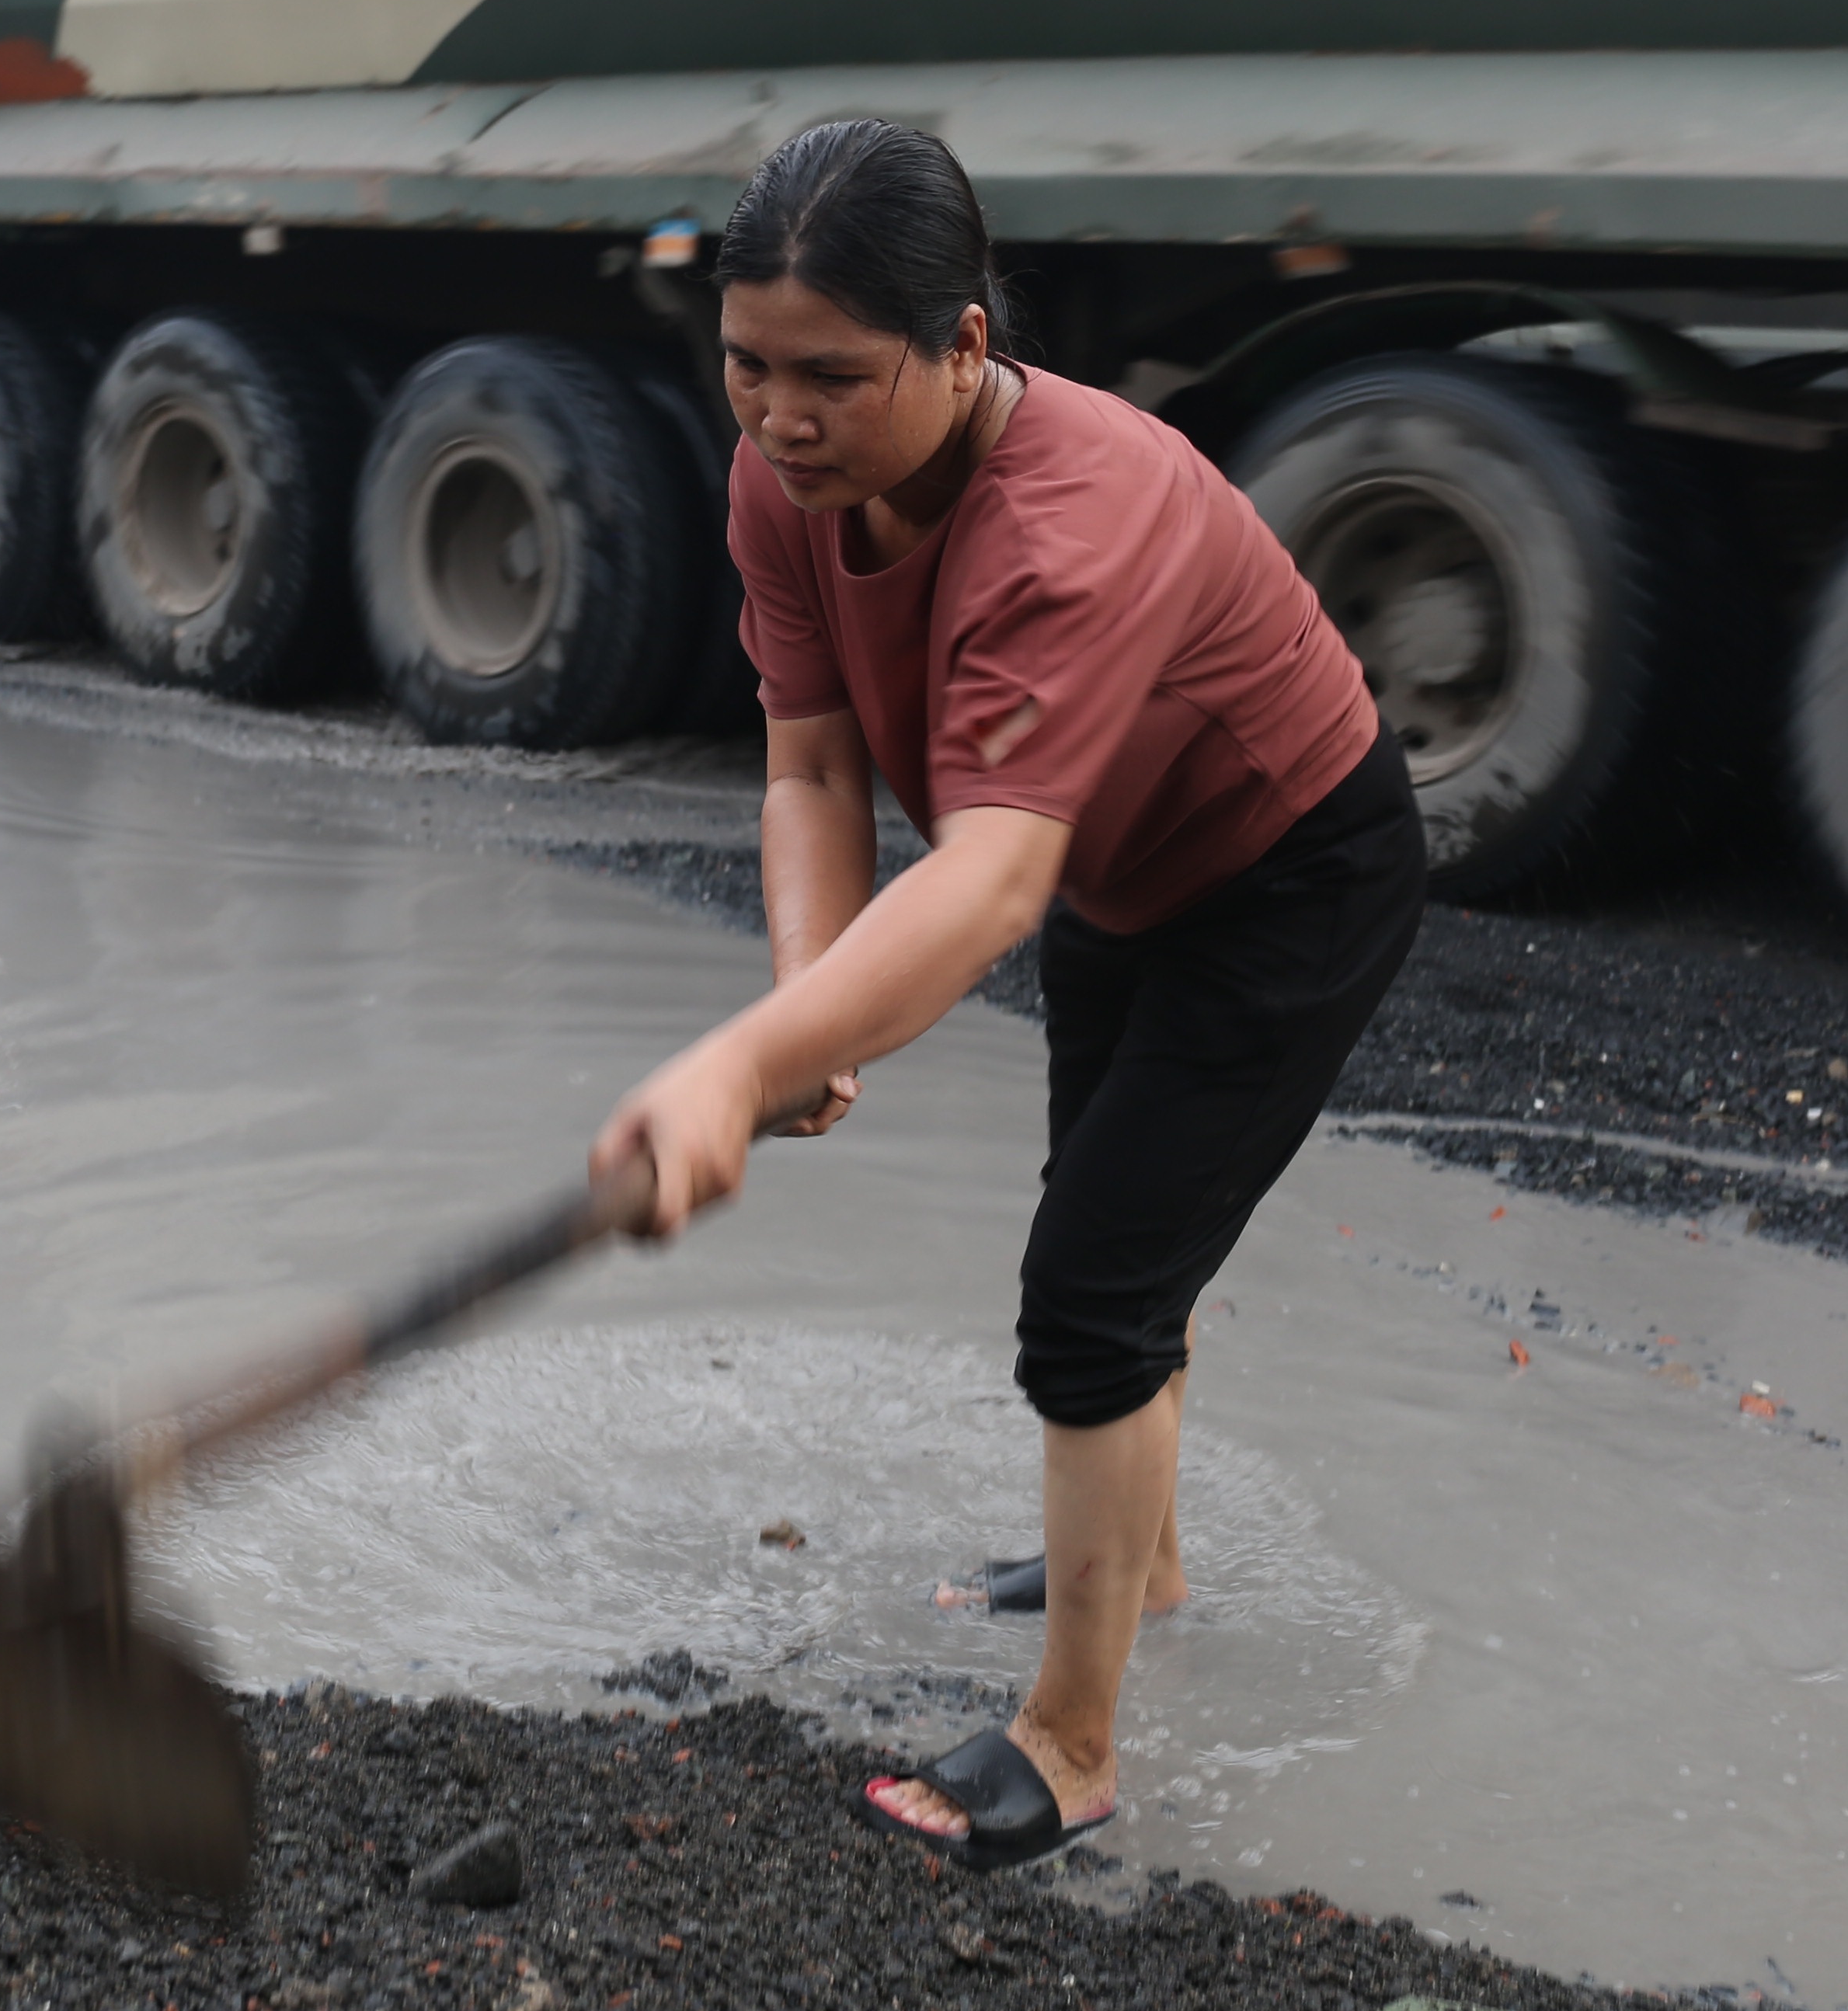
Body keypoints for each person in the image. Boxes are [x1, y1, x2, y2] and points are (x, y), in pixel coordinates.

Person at [592, 120, 1425, 1872]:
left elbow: (986, 877)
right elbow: (813, 770)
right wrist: (804, 1002)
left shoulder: (1070, 511)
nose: (780, 417)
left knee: (1092, 1290)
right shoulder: (787, 485)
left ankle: (1071, 1744)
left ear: (968, 346)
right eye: (746, 368)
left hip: (1286, 874)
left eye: (832, 375)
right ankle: (1151, 1558)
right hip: (1119, 866)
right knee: (1120, 1235)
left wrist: (737, 1071)